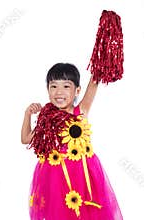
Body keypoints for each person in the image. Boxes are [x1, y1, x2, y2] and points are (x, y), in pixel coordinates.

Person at [21, 63, 123, 220]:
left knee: (83, 212)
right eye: (53, 86)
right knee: (59, 212)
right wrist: (27, 114)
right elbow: (26, 139)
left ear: (77, 91)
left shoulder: (80, 112)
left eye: (66, 86)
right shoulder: (46, 119)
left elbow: (95, 81)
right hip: (54, 176)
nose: (59, 92)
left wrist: (102, 48)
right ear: (48, 90)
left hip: (81, 174)